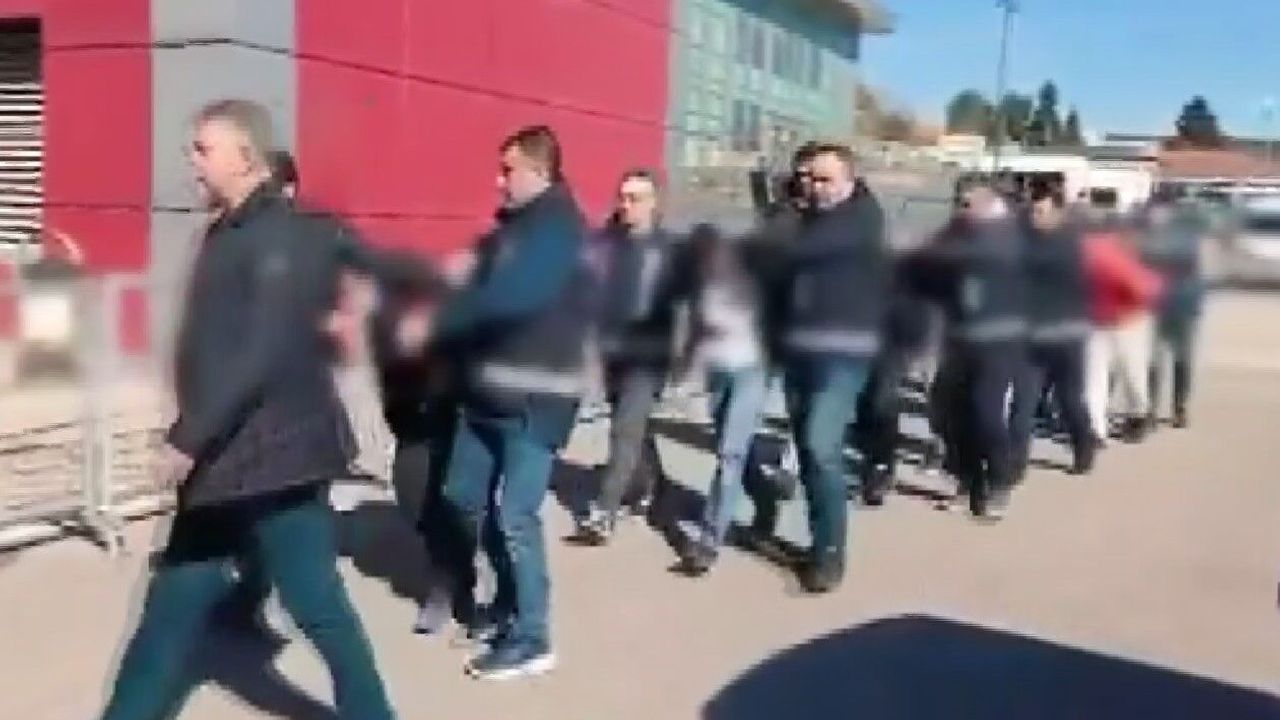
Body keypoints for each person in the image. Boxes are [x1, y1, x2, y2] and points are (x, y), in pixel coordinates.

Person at [100, 99, 394, 720]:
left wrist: (187, 439)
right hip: (230, 462)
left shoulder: (275, 237)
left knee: (316, 606)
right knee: (172, 611)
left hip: (272, 463)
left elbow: (259, 352)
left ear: (245, 156)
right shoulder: (231, 230)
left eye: (203, 149)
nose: (192, 162)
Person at [424, 125, 592, 680]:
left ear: (540, 171)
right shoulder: (513, 229)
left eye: (508, 170)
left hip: (533, 401)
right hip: (484, 396)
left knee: (515, 515)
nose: (499, 181)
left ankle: (533, 637)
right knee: (462, 496)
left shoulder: (560, 231)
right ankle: (508, 601)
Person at [770, 143, 887, 593]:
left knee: (821, 445)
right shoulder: (804, 218)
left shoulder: (862, 218)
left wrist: (787, 213)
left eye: (825, 180)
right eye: (809, 178)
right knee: (808, 449)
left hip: (843, 354)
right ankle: (820, 541)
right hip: (799, 350)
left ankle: (831, 556)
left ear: (850, 182)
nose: (815, 187)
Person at [575, 168, 689, 545]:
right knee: (634, 430)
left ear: (654, 202)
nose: (626, 205)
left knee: (624, 431)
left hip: (649, 357)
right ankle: (656, 487)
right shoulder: (608, 244)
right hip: (615, 354)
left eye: (635, 198)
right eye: (622, 197)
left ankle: (603, 514)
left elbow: (686, 308)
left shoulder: (671, 250)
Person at [905, 185, 1028, 521]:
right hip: (958, 337)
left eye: (966, 204)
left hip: (999, 340)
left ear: (990, 205)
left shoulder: (1011, 238)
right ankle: (968, 479)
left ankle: (999, 481)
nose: (959, 209)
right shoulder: (956, 233)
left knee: (985, 412)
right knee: (945, 413)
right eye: (959, 203)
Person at [673, 224, 771, 576]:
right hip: (719, 375)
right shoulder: (699, 288)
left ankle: (709, 541)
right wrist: (684, 371)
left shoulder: (751, 283)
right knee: (734, 449)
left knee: (730, 454)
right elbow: (697, 332)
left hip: (750, 372)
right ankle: (765, 497)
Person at [1009, 187, 1097, 479]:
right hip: (1031, 339)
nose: (1035, 217)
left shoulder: (1072, 243)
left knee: (1069, 400)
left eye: (1041, 212)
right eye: (1032, 211)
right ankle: (1014, 466)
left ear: (1058, 212)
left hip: (1067, 338)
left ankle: (1084, 445)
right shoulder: (1022, 239)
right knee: (1023, 404)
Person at [1081, 217, 1163, 444]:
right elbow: (1146, 289)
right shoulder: (1111, 253)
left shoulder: (1091, 251)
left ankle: (1097, 428)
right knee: (1130, 373)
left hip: (1109, 321)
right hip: (1123, 321)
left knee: (1097, 377)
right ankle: (1135, 417)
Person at [1141, 196, 1207, 429]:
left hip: (1182, 306)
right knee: (1152, 361)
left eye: (1160, 212)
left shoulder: (1185, 237)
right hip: (1154, 307)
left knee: (1182, 359)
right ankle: (1149, 409)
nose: (1155, 217)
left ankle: (1179, 407)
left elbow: (1182, 260)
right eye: (1152, 213)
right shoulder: (1146, 237)